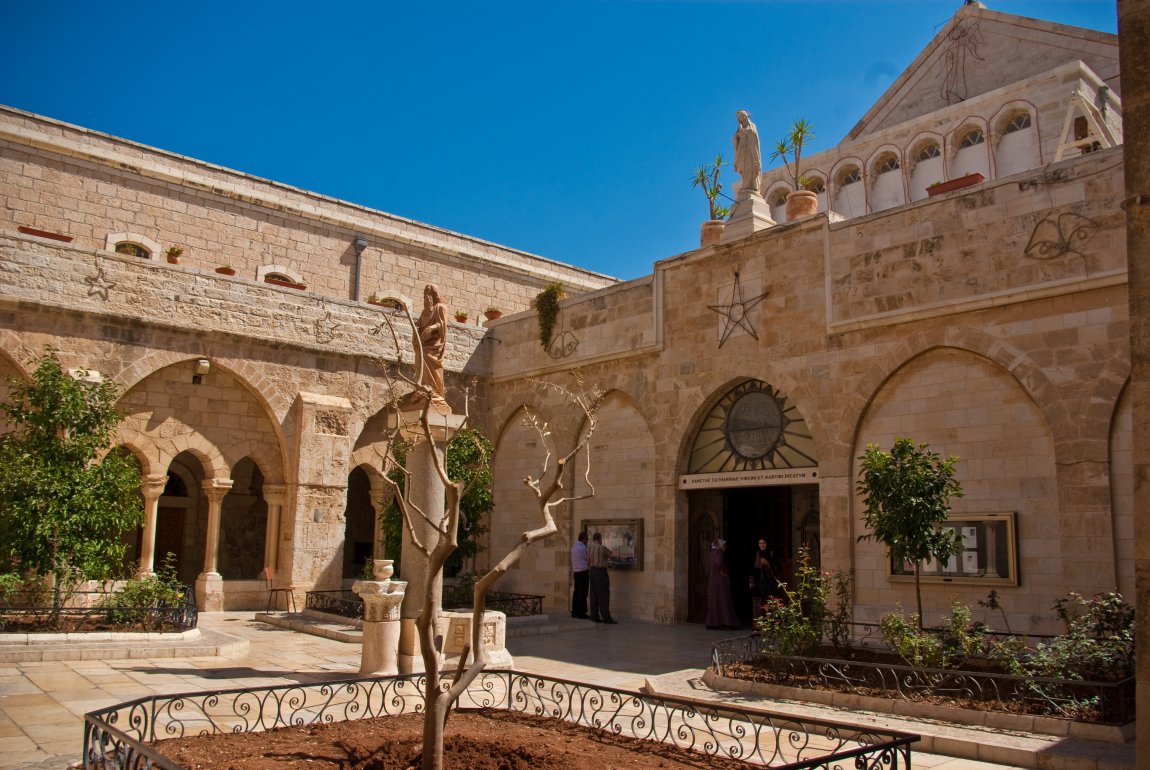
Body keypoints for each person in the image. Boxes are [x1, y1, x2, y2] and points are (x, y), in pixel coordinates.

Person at [414, 283, 448, 407]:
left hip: (435, 346)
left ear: (434, 294)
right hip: (425, 344)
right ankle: (422, 391)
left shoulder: (440, 307)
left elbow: (443, 325)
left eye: (428, 293)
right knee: (420, 357)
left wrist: (432, 328)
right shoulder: (425, 311)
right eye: (424, 293)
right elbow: (420, 326)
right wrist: (427, 311)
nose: (426, 295)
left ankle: (434, 392)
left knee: (426, 356)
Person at [705, 539, 739, 630]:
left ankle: (713, 622)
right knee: (723, 600)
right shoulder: (719, 552)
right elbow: (719, 562)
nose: (725, 547)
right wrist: (722, 570)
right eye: (724, 545)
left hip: (714, 581)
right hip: (720, 582)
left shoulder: (712, 553)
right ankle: (728, 622)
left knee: (715, 601)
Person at [587, 532, 616, 624]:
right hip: (600, 572)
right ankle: (606, 617)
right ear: (599, 539)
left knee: (594, 595)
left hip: (592, 571)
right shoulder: (601, 548)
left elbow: (587, 559)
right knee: (603, 595)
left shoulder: (589, 547)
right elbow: (611, 555)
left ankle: (594, 616)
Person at [749, 537, 780, 617]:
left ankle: (770, 625)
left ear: (767, 544)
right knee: (757, 602)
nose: (761, 545)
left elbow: (778, 567)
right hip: (757, 580)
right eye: (760, 543)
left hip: (769, 581)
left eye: (763, 543)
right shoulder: (756, 554)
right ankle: (758, 625)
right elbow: (751, 569)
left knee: (769, 601)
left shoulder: (772, 553)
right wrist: (751, 581)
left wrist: (768, 564)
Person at [733, 110, 762, 195]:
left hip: (751, 152)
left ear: (746, 115)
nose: (741, 117)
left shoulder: (752, 126)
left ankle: (752, 188)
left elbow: (754, 137)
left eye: (742, 115)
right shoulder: (739, 129)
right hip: (742, 152)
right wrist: (737, 136)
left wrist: (747, 132)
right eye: (739, 117)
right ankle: (746, 187)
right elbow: (735, 139)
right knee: (745, 170)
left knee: (751, 169)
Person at [570, 531, 589, 619]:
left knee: (576, 592)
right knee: (583, 593)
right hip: (583, 572)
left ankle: (574, 611)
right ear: (584, 539)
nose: (587, 541)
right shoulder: (583, 547)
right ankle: (581, 613)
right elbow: (587, 558)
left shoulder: (574, 547)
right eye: (587, 539)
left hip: (576, 572)